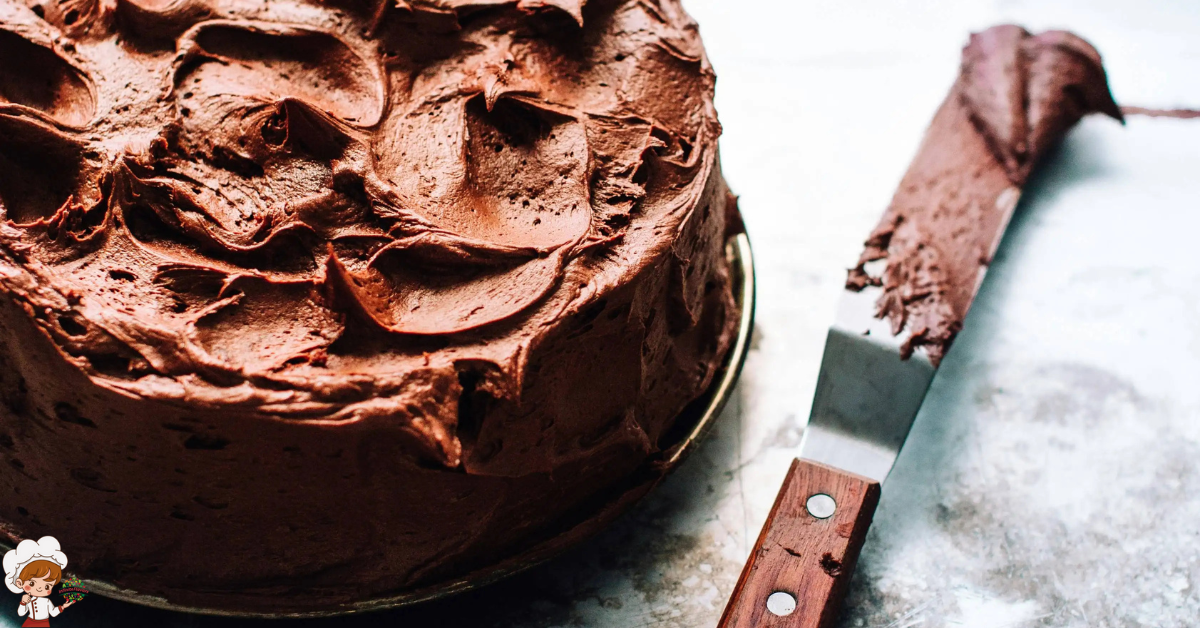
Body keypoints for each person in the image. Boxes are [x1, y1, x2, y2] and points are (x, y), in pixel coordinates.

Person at [3, 537, 78, 627]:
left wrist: (64, 606)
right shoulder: (29, 600)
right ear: (19, 583)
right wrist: (23, 603)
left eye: (47, 586)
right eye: (32, 583)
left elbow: (53, 612)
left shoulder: (47, 601)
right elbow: (21, 613)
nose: (39, 588)